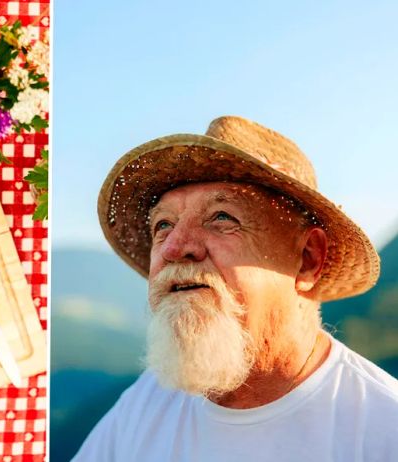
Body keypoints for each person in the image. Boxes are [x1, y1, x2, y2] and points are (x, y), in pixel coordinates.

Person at [72, 116, 398, 462]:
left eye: (222, 217)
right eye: (163, 224)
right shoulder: (144, 403)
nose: (174, 247)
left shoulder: (384, 428)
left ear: (306, 259)